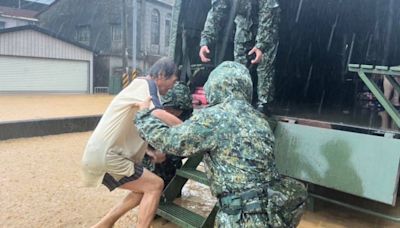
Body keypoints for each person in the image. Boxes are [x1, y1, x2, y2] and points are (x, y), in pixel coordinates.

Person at [135, 61, 307, 227]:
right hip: (272, 213)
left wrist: (143, 115)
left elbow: (169, 141)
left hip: (241, 218)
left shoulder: (215, 117)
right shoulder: (260, 120)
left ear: (215, 86)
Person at [81, 57, 182, 228]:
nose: (173, 86)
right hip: (109, 156)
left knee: (140, 190)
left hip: (100, 153)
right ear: (162, 74)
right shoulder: (147, 86)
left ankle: (104, 224)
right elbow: (157, 113)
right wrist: (189, 128)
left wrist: (150, 151)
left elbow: (139, 123)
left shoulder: (139, 87)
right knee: (155, 185)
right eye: (173, 80)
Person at [199, 0, 280, 113]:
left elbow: (268, 12)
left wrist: (261, 45)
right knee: (240, 66)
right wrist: (205, 41)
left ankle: (264, 104)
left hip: (266, 23)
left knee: (264, 61)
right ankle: (241, 100)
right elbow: (216, 11)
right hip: (243, 22)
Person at [142, 82, 193, 187]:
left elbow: (191, 145)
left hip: (172, 165)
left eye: (176, 110)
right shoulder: (153, 114)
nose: (171, 113)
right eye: (168, 109)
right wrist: (149, 151)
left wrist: (169, 153)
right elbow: (135, 136)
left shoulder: (188, 118)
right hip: (150, 162)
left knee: (172, 193)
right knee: (148, 190)